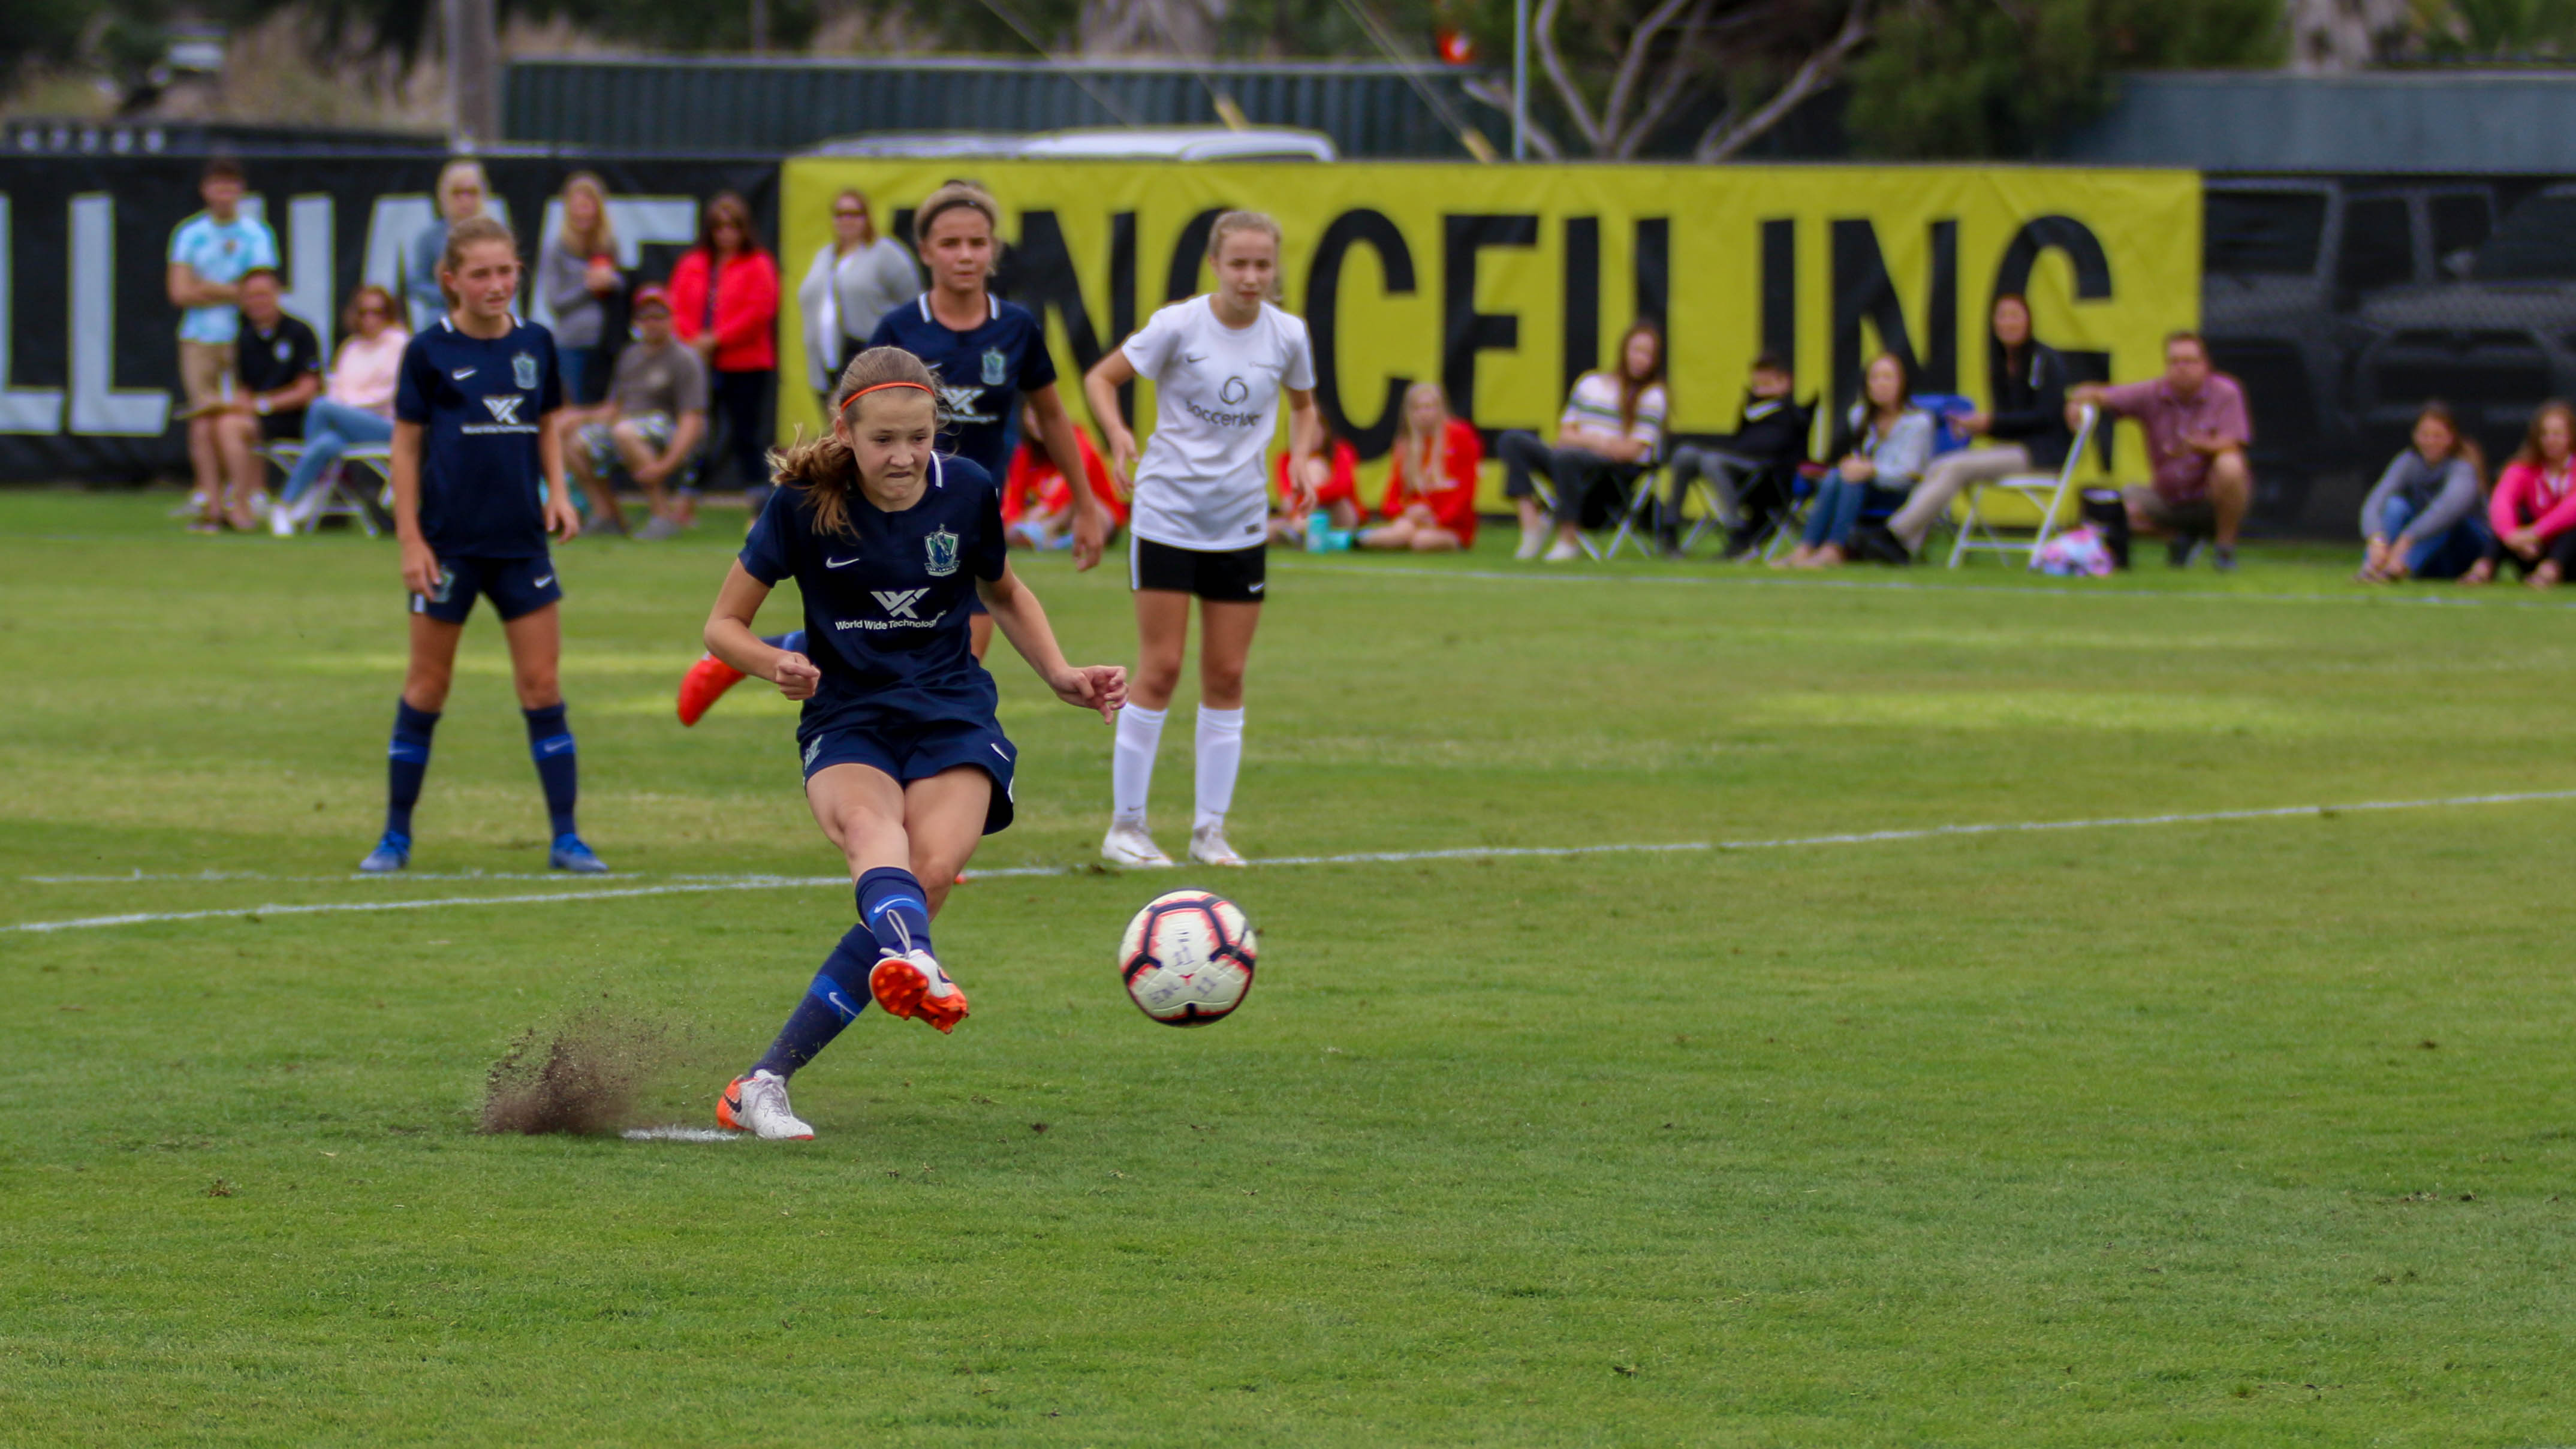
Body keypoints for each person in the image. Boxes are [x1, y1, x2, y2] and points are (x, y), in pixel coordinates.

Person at [701, 347, 1126, 1140]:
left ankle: (762, 1082)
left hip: (951, 712)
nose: (904, 457)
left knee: (926, 875)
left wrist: (1061, 672)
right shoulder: (800, 506)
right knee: (874, 835)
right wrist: (773, 663)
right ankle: (917, 964)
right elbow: (720, 626)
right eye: (885, 440)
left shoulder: (965, 490)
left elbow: (1002, 589)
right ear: (847, 432)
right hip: (846, 714)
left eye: (920, 438)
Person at [674, 180, 1108, 725]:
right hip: (886, 515)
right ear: (924, 251)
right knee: (927, 658)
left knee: (942, 661)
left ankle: (911, 761)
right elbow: (855, 418)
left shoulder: (1015, 327)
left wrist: (1087, 504)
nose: (965, 255)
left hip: (968, 517)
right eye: (950, 243)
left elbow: (1051, 417)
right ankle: (777, 669)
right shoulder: (900, 329)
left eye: (977, 242)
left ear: (994, 248)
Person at [361, 215, 602, 876]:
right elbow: (405, 448)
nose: (497, 284)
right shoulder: (427, 351)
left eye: (506, 271)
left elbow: (548, 422)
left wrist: (557, 491)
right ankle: (395, 837)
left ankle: (567, 839)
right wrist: (409, 539)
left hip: (521, 545)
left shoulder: (536, 342)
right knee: (427, 686)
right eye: (481, 274)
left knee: (542, 684)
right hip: (446, 549)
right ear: (451, 281)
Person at [1083, 210, 1324, 868]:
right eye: (1239, 263)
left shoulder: (1288, 334)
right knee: (1159, 669)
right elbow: (1100, 379)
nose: (1251, 276)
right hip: (1166, 515)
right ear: (1215, 265)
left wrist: (1302, 456)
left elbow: (1304, 408)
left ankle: (1209, 830)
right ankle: (1127, 826)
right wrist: (1118, 434)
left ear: (1275, 269)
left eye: (1262, 265)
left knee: (1227, 673)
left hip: (1240, 521)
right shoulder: (1178, 325)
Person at [1889, 294, 2073, 559]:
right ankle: (1906, 546)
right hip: (2012, 450)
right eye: (2002, 316)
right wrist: (1977, 426)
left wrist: (1990, 422)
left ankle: (1893, 534)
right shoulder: (1999, 363)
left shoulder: (2046, 360)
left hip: (2042, 454)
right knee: (1941, 465)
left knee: (1957, 467)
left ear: (2029, 321)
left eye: (2015, 316)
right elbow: (2008, 423)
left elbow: (2046, 416)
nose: (2008, 324)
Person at [2072, 331, 2253, 573]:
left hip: (2209, 498)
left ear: (2205, 364)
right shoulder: (2153, 393)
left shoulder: (2226, 392)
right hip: (2166, 497)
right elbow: (2100, 395)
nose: (2182, 368)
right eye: (2175, 362)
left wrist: (2200, 446)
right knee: (2115, 509)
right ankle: (2177, 539)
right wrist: (2076, 402)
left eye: (2189, 361)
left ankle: (2224, 549)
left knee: (2230, 465)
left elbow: (2235, 442)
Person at [165, 155, 279, 532]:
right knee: (202, 421)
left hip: (242, 338)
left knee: (241, 417)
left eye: (230, 185)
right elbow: (180, 291)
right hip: (199, 338)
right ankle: (209, 500)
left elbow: (258, 293)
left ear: (241, 191)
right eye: (217, 185)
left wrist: (210, 287)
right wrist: (229, 290)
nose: (224, 193)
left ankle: (248, 495)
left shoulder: (257, 234)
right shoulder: (189, 234)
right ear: (205, 190)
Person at [1499, 322, 1667, 561]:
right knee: (1512, 441)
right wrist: (1598, 441)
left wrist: (1590, 444)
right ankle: (1531, 524)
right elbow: (1564, 436)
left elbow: (1631, 450)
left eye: (1648, 354)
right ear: (1624, 351)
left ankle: (1568, 538)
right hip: (1570, 459)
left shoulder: (1653, 396)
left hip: (1612, 474)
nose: (1640, 359)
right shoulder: (1590, 384)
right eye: (1636, 351)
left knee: (1568, 457)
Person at [667, 191, 781, 508]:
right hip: (698, 362)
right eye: (719, 226)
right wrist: (693, 341)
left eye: (733, 226)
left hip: (745, 363)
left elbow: (760, 310)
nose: (726, 233)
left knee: (745, 432)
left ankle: (758, 499)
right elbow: (675, 306)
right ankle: (687, 495)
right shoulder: (693, 264)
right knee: (699, 431)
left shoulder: (758, 263)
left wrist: (717, 338)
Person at [567, 285, 707, 540]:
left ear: (672, 318)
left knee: (625, 431)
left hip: (667, 432)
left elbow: (692, 418)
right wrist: (577, 417)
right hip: (626, 426)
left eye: (660, 316)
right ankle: (607, 515)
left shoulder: (685, 358)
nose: (653, 323)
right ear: (637, 322)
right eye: (646, 316)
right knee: (575, 439)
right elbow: (614, 407)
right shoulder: (629, 356)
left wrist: (667, 464)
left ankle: (663, 515)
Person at [1776, 352, 1933, 570]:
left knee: (1850, 479)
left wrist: (1872, 470)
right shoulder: (1859, 415)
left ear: (1902, 383)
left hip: (1898, 490)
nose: (1881, 384)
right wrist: (1855, 466)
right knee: (1837, 475)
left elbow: (1909, 472)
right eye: (1875, 378)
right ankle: (1806, 548)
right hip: (1862, 487)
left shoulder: (1918, 422)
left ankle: (1833, 549)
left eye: (1888, 378)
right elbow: (1857, 456)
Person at [273, 284, 409, 533]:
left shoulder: (399, 343)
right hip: (347, 424)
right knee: (327, 443)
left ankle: (311, 485)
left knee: (321, 407)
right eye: (364, 312)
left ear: (388, 314)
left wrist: (345, 409)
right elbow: (336, 386)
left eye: (377, 312)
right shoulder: (351, 348)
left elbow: (389, 392)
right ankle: (286, 504)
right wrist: (343, 409)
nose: (370, 319)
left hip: (388, 428)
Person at [1655, 353, 1806, 561]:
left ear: (1785, 383)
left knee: (1712, 460)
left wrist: (1728, 449)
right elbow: (1739, 441)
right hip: (1736, 464)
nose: (1760, 390)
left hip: (1767, 474)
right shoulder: (1751, 409)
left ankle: (1738, 534)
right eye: (1757, 385)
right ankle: (1670, 530)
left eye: (1768, 384)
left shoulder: (1791, 416)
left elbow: (1768, 448)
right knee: (1685, 454)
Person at [211, 269, 321, 523]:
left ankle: (241, 504)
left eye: (262, 295)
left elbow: (307, 390)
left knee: (230, 427)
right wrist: (238, 404)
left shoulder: (299, 332)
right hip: (260, 419)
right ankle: (212, 503)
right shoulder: (246, 338)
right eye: (250, 296)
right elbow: (244, 389)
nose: (257, 302)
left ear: (277, 295)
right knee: (208, 425)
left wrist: (262, 405)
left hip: (296, 418)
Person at [796, 188, 918, 412]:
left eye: (854, 213)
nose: (846, 220)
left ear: (866, 217)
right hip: (824, 360)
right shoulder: (825, 256)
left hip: (867, 355)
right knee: (838, 432)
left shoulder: (885, 253)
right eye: (840, 214)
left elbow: (911, 303)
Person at [2358, 402, 2490, 584]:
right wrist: (2376, 539)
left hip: (2464, 548)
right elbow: (2375, 502)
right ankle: (2373, 567)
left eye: (2438, 436)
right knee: (2395, 506)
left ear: (2451, 438)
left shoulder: (2462, 468)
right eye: (2425, 435)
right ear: (2415, 436)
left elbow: (2446, 510)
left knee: (2442, 521)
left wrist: (2406, 540)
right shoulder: (2408, 462)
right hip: (2428, 551)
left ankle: (2398, 568)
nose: (2430, 442)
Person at [1353, 381, 1480, 552]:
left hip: (1450, 526)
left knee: (1421, 541)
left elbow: (1466, 492)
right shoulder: (1405, 446)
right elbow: (1390, 501)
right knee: (1404, 531)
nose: (1424, 414)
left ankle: (1367, 539)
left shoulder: (1461, 436)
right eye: (1417, 408)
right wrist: (1409, 512)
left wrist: (1437, 519)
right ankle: (1356, 541)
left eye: (1429, 407)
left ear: (1441, 409)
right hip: (1412, 521)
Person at [2466, 400, 2576, 588]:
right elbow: (2501, 502)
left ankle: (2551, 571)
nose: (2551, 440)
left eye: (2557, 434)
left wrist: (2535, 533)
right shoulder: (2523, 468)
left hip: (2570, 555)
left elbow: (2571, 509)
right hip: (2530, 551)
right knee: (2516, 518)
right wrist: (2512, 536)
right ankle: (2483, 569)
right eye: (2545, 434)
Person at [537, 171, 623, 411]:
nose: (583, 213)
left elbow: (623, 289)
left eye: (588, 206)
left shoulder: (608, 245)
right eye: (577, 207)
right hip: (572, 344)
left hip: (605, 344)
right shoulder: (557, 248)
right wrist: (588, 286)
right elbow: (554, 302)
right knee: (572, 409)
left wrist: (613, 281)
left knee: (600, 409)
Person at [1003, 400, 1124, 549]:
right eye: (1031, 416)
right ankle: (1051, 539)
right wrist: (1013, 522)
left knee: (1081, 499)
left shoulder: (1077, 438)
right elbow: (1013, 494)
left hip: (1097, 514)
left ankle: (1048, 534)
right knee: (1009, 530)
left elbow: (1074, 481)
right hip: (1047, 519)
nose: (1037, 422)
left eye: (1042, 415)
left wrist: (1045, 509)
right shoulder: (1025, 452)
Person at [404, 159, 491, 333]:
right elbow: (415, 283)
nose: (465, 200)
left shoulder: (494, 237)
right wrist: (450, 295)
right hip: (441, 316)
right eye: (457, 193)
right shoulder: (429, 238)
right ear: (444, 196)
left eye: (472, 193)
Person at [1268, 424, 1359, 549]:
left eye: (1314, 432)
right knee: (1265, 530)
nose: (1310, 438)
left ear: (1325, 432)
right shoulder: (1285, 458)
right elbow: (1287, 495)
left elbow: (1342, 488)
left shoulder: (1340, 451)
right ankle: (1302, 531)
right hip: (1300, 513)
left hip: (1337, 512)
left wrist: (1309, 496)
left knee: (1315, 467)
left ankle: (1301, 529)